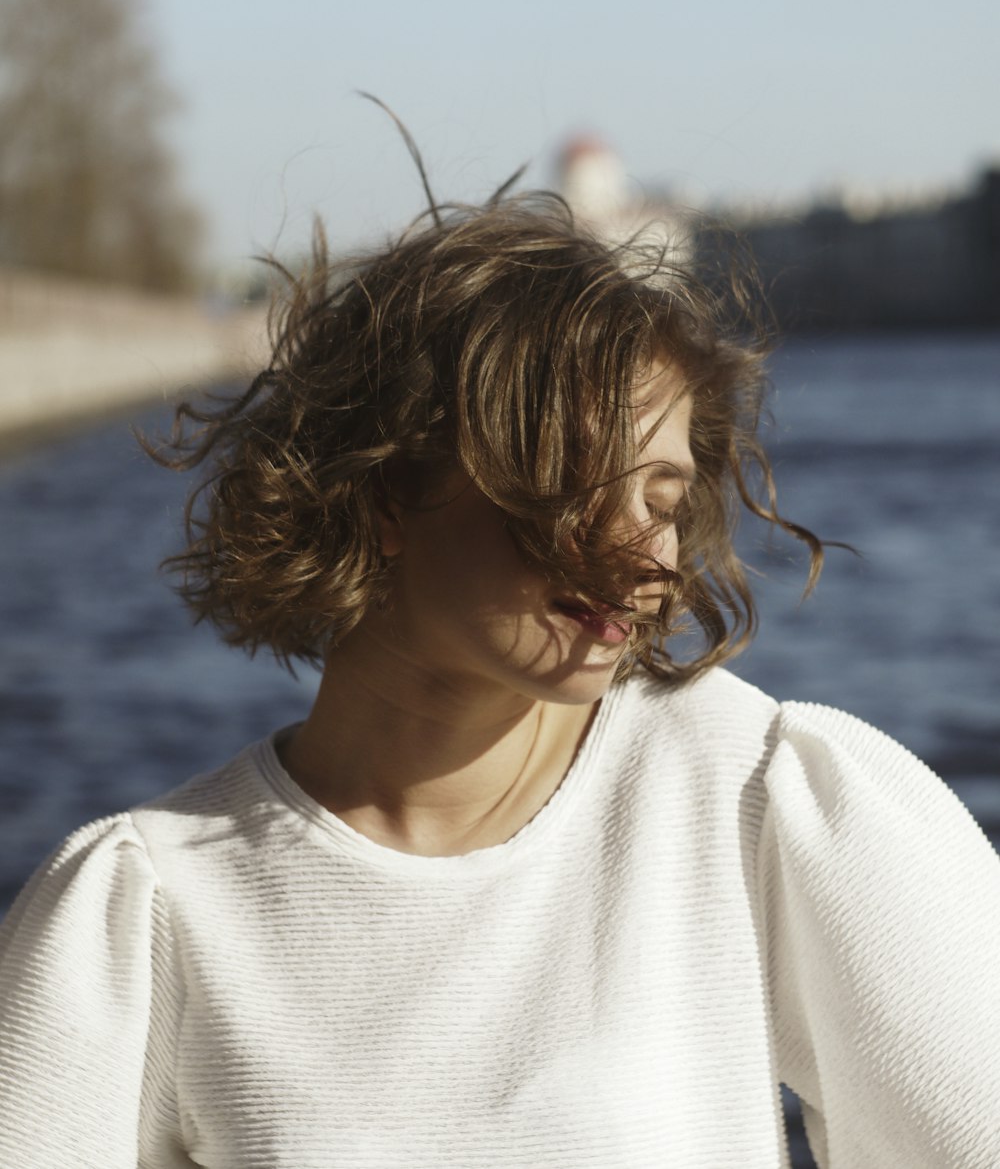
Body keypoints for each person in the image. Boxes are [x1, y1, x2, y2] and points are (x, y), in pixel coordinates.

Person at [1, 161, 999, 1169]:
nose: (643, 553)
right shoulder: (143, 909)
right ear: (386, 488)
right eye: (573, 480)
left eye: (661, 498)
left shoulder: (752, 795)